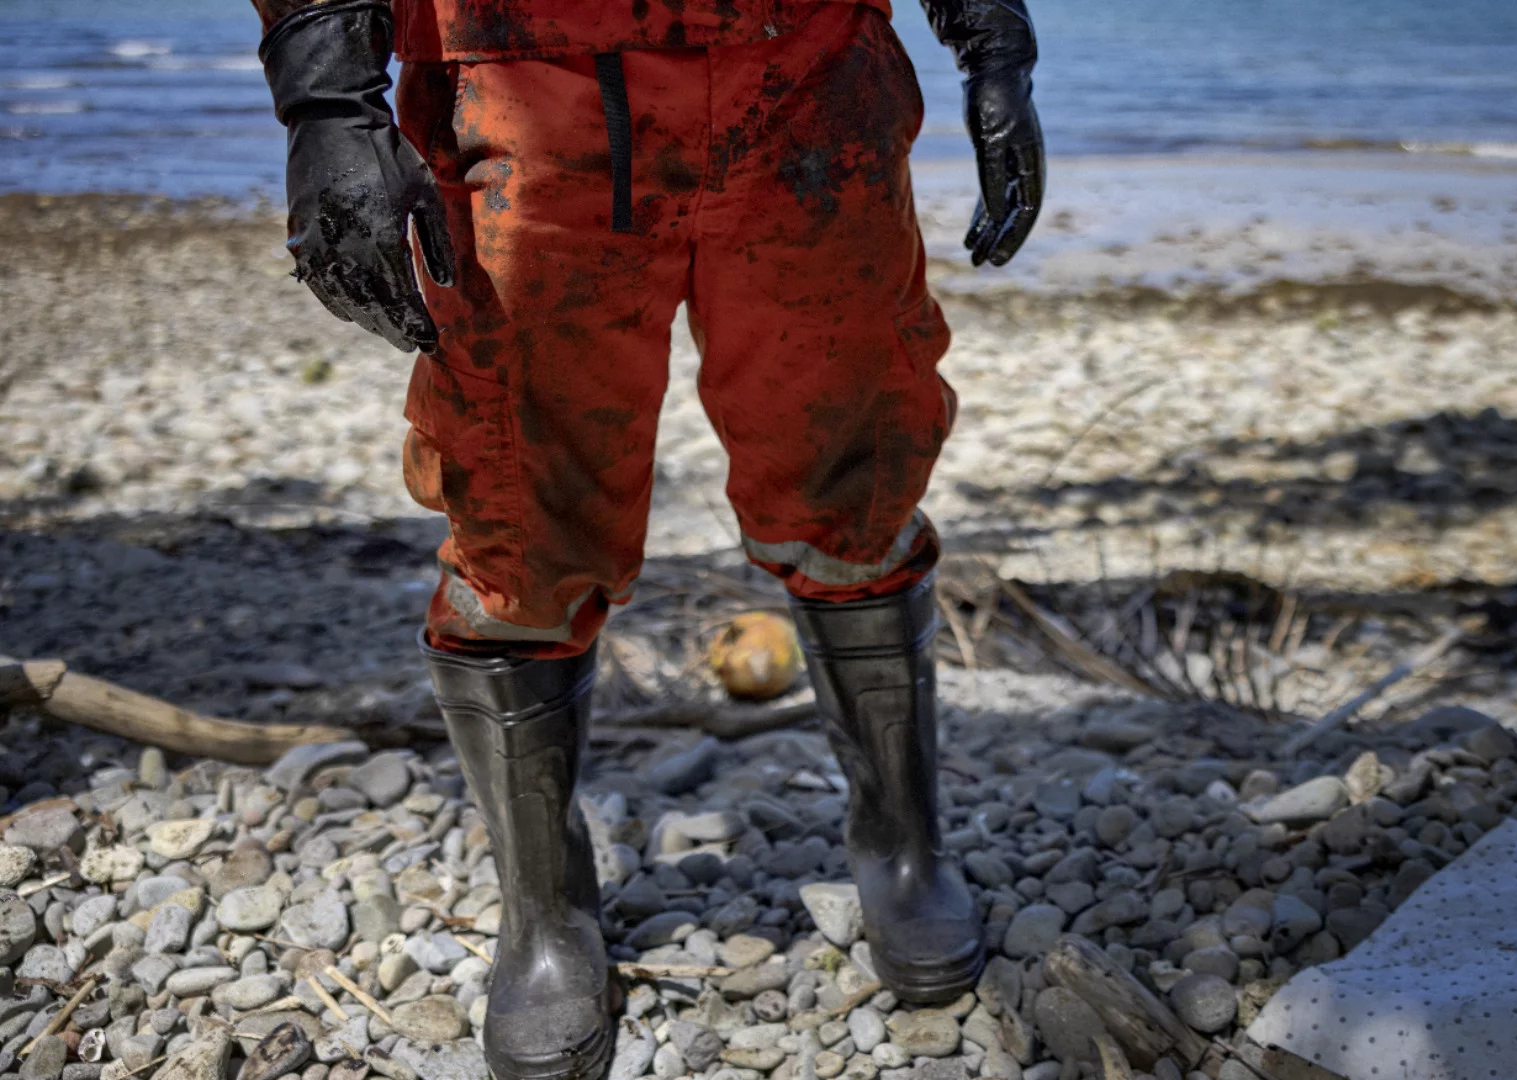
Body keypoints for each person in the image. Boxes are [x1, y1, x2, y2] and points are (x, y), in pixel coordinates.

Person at [249, 0, 1042, 1076]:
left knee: (855, 449)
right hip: (523, 77)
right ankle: (544, 905)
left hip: (806, 67)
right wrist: (328, 100)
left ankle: (900, 843)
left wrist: (992, 32)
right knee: (517, 495)